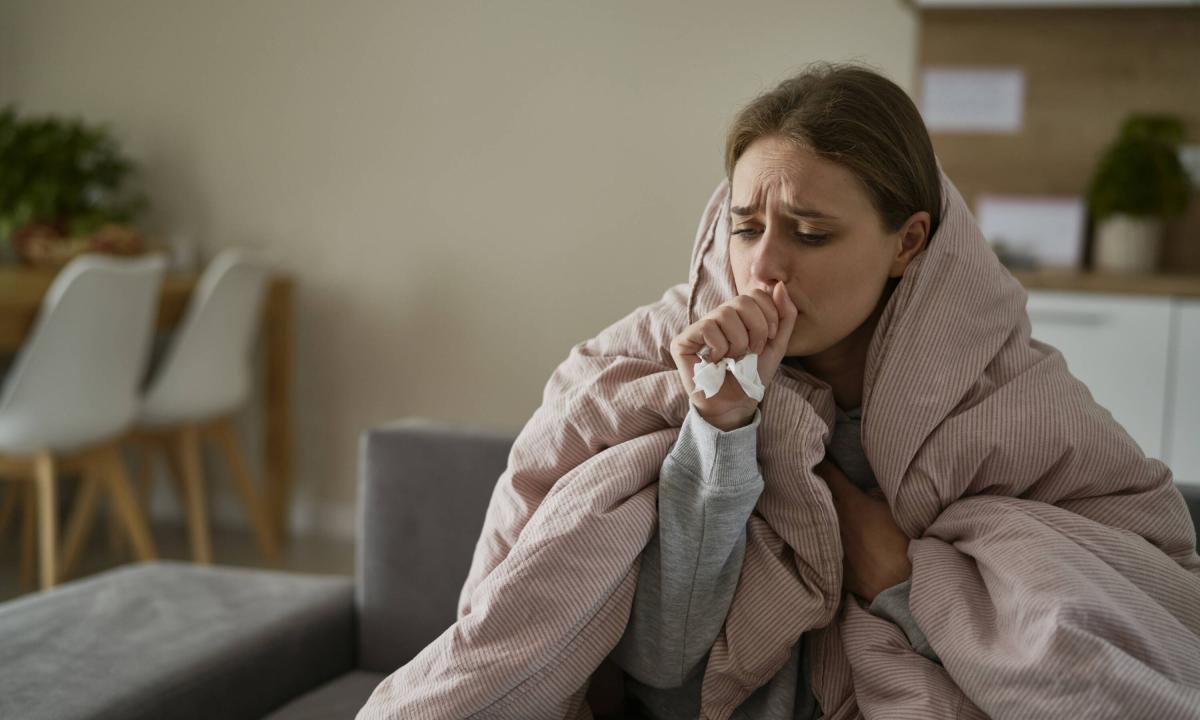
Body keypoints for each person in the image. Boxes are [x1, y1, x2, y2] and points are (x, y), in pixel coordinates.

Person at [609, 63, 944, 719]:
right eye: (745, 227)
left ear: (907, 242)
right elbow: (660, 665)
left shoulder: (994, 401)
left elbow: (1058, 664)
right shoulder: (661, 363)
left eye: (810, 233)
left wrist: (901, 587)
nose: (761, 268)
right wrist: (722, 430)